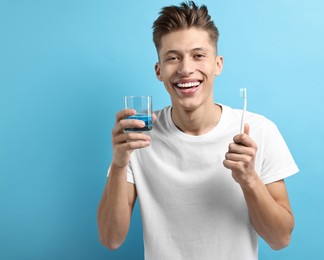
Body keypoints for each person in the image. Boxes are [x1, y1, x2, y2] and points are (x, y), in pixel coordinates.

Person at [97, 1, 299, 259]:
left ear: (218, 64)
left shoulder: (258, 131)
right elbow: (110, 238)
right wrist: (118, 164)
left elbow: (280, 239)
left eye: (198, 55)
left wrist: (249, 179)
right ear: (159, 71)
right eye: (173, 58)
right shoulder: (138, 137)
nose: (185, 69)